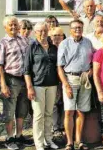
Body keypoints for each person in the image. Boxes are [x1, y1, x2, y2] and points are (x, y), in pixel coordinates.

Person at [0, 16, 33, 150]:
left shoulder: (24, 40)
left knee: (22, 110)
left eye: (15, 25)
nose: (13, 27)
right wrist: (3, 84)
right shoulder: (3, 42)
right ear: (5, 27)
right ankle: (9, 137)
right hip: (11, 79)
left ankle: (19, 135)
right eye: (10, 25)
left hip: (24, 80)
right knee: (10, 110)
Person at [57, 20, 95, 150]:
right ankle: (69, 142)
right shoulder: (64, 43)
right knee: (69, 111)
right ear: (70, 30)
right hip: (70, 78)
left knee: (81, 111)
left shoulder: (88, 42)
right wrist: (66, 85)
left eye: (79, 27)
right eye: (75, 28)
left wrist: (91, 70)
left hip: (84, 79)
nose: (78, 29)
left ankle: (79, 141)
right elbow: (60, 67)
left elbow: (93, 60)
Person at [24, 22, 59, 150]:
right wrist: (29, 87)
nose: (42, 33)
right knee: (38, 115)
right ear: (35, 32)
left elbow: (57, 67)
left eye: (44, 30)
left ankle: (48, 139)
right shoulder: (32, 47)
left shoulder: (53, 47)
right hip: (37, 85)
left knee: (49, 113)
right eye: (39, 31)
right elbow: (26, 70)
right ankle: (39, 143)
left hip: (52, 85)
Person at [49, 26, 65, 137]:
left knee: (64, 104)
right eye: (55, 35)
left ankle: (62, 126)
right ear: (51, 37)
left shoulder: (66, 46)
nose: (57, 37)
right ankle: (55, 127)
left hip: (65, 80)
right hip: (52, 80)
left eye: (59, 35)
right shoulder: (48, 48)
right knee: (53, 104)